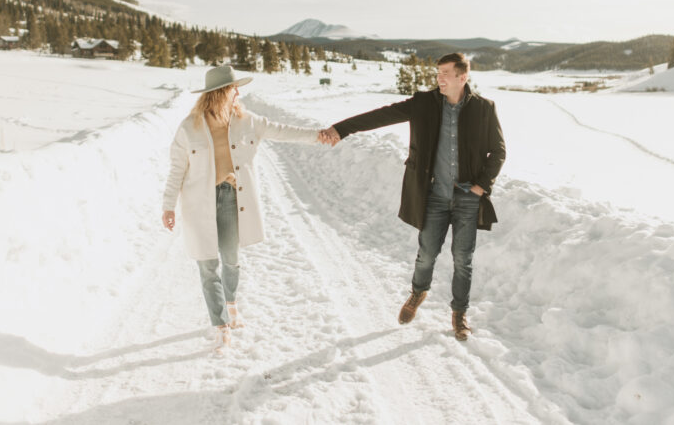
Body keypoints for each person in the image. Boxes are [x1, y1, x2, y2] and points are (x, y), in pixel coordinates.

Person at [320, 53, 505, 341]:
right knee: (427, 254)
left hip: (467, 198)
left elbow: (499, 151)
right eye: (438, 72)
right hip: (434, 197)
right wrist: (341, 129)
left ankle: (459, 314)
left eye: (445, 72)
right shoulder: (424, 104)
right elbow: (381, 115)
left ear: (462, 77)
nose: (439, 78)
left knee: (462, 259)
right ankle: (418, 293)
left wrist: (482, 185)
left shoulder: (484, 108)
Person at [162, 65, 324, 355]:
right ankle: (221, 326)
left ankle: (231, 303)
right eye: (233, 88)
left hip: (230, 197)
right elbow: (177, 168)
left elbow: (284, 131)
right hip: (200, 203)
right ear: (220, 93)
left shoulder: (247, 121)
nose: (238, 92)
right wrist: (168, 206)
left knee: (231, 258)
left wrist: (321, 135)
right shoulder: (190, 127)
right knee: (207, 264)